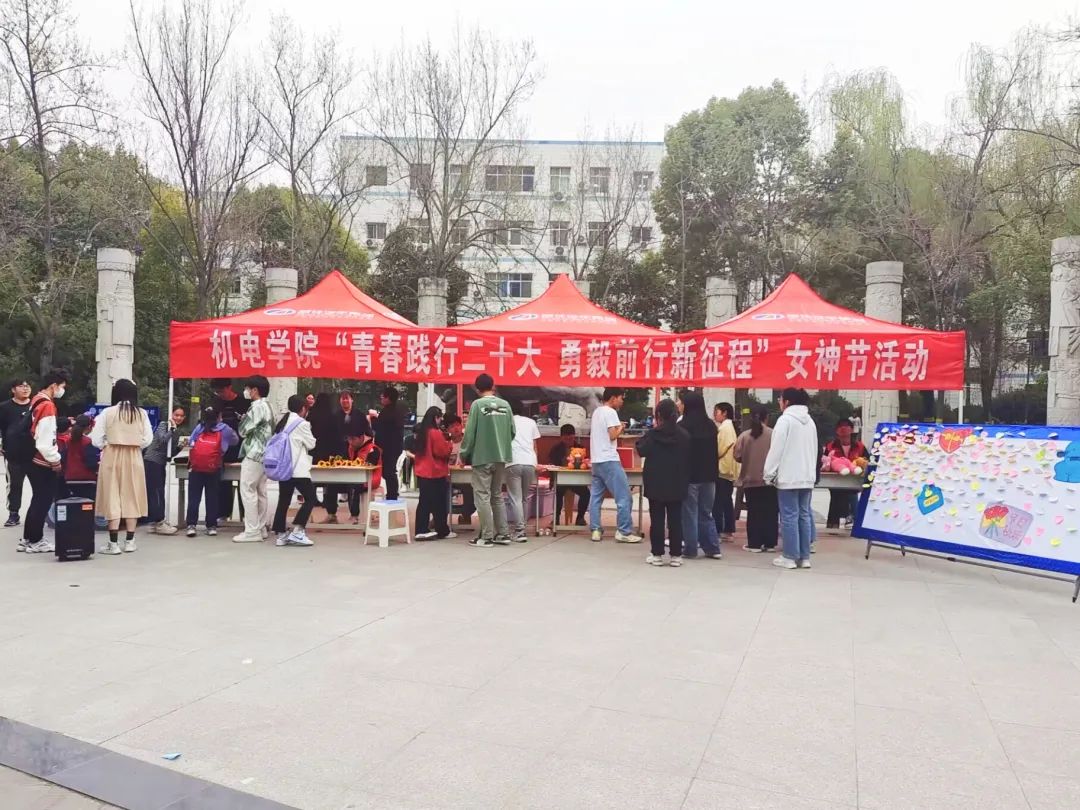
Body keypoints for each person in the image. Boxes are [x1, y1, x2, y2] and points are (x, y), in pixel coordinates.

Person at [91, 379, 155, 555]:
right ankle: (130, 541)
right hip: (134, 456)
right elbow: (148, 439)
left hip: (112, 454)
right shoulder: (141, 413)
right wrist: (134, 444)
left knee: (112, 495)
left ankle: (113, 544)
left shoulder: (107, 412)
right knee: (132, 495)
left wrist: (107, 444)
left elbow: (95, 439)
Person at [763, 387, 819, 570]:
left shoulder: (785, 420)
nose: (779, 402)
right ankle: (804, 557)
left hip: (788, 477)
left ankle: (789, 556)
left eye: (780, 399)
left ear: (786, 402)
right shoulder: (810, 422)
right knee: (804, 515)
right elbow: (814, 450)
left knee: (789, 517)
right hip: (807, 477)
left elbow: (776, 449)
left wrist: (769, 473)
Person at [459, 374, 514, 548]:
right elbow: (512, 431)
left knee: (482, 496)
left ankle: (486, 536)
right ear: (493, 386)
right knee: (497, 495)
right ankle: (503, 534)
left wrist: (463, 453)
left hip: (482, 457)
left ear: (477, 388)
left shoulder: (477, 405)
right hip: (501, 457)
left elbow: (470, 433)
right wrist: (501, 444)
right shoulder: (505, 405)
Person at [636, 398, 690, 567]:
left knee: (657, 520)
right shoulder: (684, 435)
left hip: (656, 483)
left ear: (658, 415)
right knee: (676, 521)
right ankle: (676, 556)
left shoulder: (653, 435)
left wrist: (654, 428)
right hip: (677, 483)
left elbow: (641, 449)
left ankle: (657, 554)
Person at [18, 371, 66, 552]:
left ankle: (28, 538)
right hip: (42, 460)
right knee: (43, 500)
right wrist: (56, 460)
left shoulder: (36, 399)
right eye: (62, 387)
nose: (62, 391)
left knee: (37, 499)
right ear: (54, 386)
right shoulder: (47, 406)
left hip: (31, 457)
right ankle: (36, 540)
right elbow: (46, 440)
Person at [588, 388, 642, 544]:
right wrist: (621, 428)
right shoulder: (610, 412)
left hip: (596, 460)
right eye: (620, 398)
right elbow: (612, 436)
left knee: (596, 498)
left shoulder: (597, 412)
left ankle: (596, 530)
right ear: (613, 398)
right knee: (624, 497)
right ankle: (624, 531)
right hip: (609, 460)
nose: (622, 401)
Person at [678, 390, 723, 560]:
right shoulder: (711, 426)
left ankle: (690, 549)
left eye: (682, 403)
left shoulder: (682, 426)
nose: (680, 405)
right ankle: (713, 548)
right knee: (706, 513)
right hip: (709, 476)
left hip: (690, 477)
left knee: (689, 514)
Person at [183, 406, 239, 539]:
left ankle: (191, 525)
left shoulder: (199, 427)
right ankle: (211, 526)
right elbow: (235, 441)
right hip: (214, 467)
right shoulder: (225, 429)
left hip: (196, 467)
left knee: (194, 497)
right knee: (212, 497)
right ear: (219, 417)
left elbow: (191, 442)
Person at [269, 394, 318, 546]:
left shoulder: (282, 422)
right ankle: (298, 530)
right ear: (303, 408)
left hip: (283, 469)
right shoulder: (302, 423)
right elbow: (311, 444)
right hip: (298, 469)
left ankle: (281, 535)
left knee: (283, 500)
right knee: (311, 498)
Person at [234, 375, 274, 542]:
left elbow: (243, 431)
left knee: (248, 489)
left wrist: (243, 420)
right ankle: (261, 527)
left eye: (248, 389)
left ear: (255, 390)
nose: (246, 391)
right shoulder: (268, 406)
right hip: (265, 453)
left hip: (254, 453)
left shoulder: (256, 407)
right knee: (261, 491)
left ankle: (251, 531)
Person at [734, 404, 778, 553]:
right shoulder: (774, 434)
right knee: (770, 512)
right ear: (767, 417)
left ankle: (754, 544)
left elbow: (737, 456)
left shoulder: (745, 436)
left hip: (750, 480)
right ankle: (770, 543)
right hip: (770, 480)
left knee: (754, 512)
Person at [209, 378, 249, 522]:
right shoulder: (216, 403)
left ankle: (246, 515)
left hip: (242, 448)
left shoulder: (244, 403)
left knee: (244, 482)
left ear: (229, 387)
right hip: (222, 448)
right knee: (222, 482)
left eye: (222, 391)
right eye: (217, 392)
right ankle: (223, 513)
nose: (220, 394)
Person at [413, 406, 455, 541]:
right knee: (439, 504)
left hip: (422, 471)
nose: (441, 420)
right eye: (440, 418)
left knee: (424, 503)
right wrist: (449, 444)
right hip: (435, 472)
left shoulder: (422, 432)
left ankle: (421, 529)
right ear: (435, 418)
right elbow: (442, 452)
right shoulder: (435, 433)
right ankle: (442, 530)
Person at [143, 406, 185, 535]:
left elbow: (169, 453)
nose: (178, 418)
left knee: (158, 491)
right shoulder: (164, 425)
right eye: (176, 415)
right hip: (152, 462)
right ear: (171, 415)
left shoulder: (176, 431)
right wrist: (172, 429)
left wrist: (180, 447)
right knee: (156, 492)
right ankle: (158, 522)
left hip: (160, 463)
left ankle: (154, 522)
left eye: (181, 416)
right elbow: (162, 440)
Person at [505, 400, 540, 541]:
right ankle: (522, 527)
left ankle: (520, 531)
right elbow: (535, 446)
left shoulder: (506, 422)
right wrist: (536, 463)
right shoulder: (531, 422)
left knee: (515, 498)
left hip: (513, 461)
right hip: (530, 462)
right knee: (524, 498)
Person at [824, 418, 868, 530]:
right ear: (837, 432)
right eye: (841, 429)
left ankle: (853, 521)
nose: (844, 435)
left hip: (854, 479)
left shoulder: (860, 446)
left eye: (846, 428)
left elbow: (866, 461)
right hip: (836, 479)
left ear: (851, 430)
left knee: (851, 493)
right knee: (837, 495)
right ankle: (835, 523)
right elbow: (825, 462)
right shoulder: (830, 446)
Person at [0, 377, 33, 528]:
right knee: (14, 485)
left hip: (34, 453)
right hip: (13, 453)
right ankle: (13, 514)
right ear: (13, 390)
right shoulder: (4, 407)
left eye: (27, 386)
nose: (25, 388)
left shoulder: (36, 405)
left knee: (40, 485)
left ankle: (41, 514)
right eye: (21, 386)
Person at [334, 390, 369, 523]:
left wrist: (357, 443)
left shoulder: (359, 415)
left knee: (353, 484)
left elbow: (368, 434)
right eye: (342, 398)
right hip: (338, 454)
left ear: (352, 400)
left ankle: (354, 515)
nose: (345, 401)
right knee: (331, 483)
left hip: (355, 454)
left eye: (347, 398)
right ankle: (331, 513)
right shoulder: (335, 415)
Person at [549, 423, 589, 526]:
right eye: (566, 438)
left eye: (571, 438)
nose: (568, 440)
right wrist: (552, 480)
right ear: (561, 437)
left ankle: (580, 518)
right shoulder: (555, 449)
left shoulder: (580, 448)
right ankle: (556, 519)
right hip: (561, 480)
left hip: (576, 480)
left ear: (574, 436)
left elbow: (585, 463)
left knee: (586, 493)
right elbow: (551, 466)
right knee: (558, 494)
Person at [373, 387, 405, 501]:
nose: (381, 397)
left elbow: (380, 429)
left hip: (388, 448)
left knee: (388, 472)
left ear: (388, 398)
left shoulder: (387, 412)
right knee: (390, 471)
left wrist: (373, 418)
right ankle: (392, 494)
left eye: (383, 396)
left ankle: (392, 495)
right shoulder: (397, 411)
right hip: (395, 447)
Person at [713, 402, 739, 541]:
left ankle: (719, 529)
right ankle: (728, 529)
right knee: (726, 500)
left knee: (718, 501)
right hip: (728, 469)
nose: (715, 414)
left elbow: (719, 449)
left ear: (725, 413)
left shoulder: (724, 428)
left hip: (722, 469)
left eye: (717, 411)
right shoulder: (729, 426)